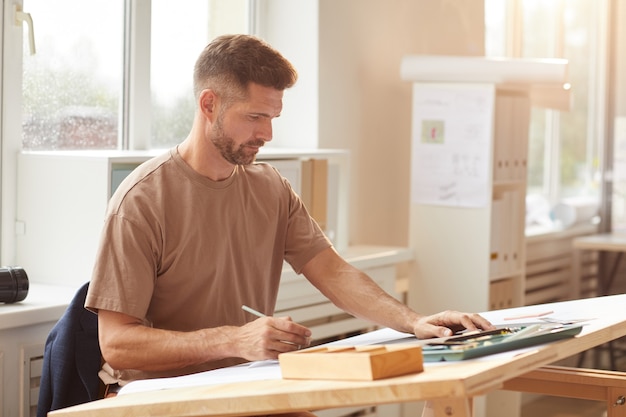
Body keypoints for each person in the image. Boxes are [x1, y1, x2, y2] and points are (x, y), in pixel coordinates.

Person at [85, 34, 493, 416]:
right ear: (209, 105)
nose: (267, 133)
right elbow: (117, 344)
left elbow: (332, 271)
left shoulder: (270, 188)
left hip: (241, 385)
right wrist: (234, 339)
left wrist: (414, 322)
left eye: (273, 116)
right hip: (160, 399)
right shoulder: (141, 201)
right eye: (255, 116)